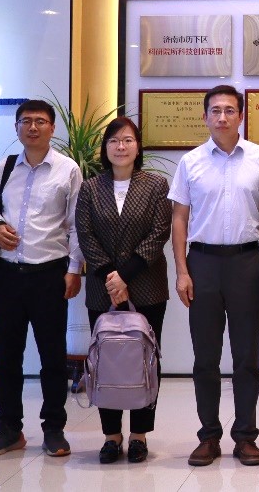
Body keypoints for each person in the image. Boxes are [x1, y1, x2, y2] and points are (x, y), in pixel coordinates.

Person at [170, 85, 259, 467]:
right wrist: (182, 271)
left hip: (247, 263)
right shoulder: (191, 162)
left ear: (241, 116)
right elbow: (179, 219)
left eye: (230, 110)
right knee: (205, 358)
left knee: (247, 356)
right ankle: (209, 436)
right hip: (203, 264)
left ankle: (246, 436)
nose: (222, 117)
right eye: (215, 111)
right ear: (205, 117)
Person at [0, 99, 84, 458]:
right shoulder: (5, 167)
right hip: (6, 275)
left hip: (49, 275)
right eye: (25, 121)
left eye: (40, 121)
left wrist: (74, 270)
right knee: (8, 358)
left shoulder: (68, 170)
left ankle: (54, 429)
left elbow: (76, 226)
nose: (32, 127)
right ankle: (9, 429)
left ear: (52, 128)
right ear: (17, 128)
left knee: (52, 358)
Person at [75, 117, 172, 465]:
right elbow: (85, 234)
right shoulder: (90, 187)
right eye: (114, 141)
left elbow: (159, 232)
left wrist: (125, 276)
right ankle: (111, 436)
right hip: (102, 288)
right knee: (107, 359)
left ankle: (140, 435)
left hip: (146, 285)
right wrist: (111, 278)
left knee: (145, 360)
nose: (121, 146)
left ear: (138, 146)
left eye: (128, 140)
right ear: (105, 148)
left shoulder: (156, 185)